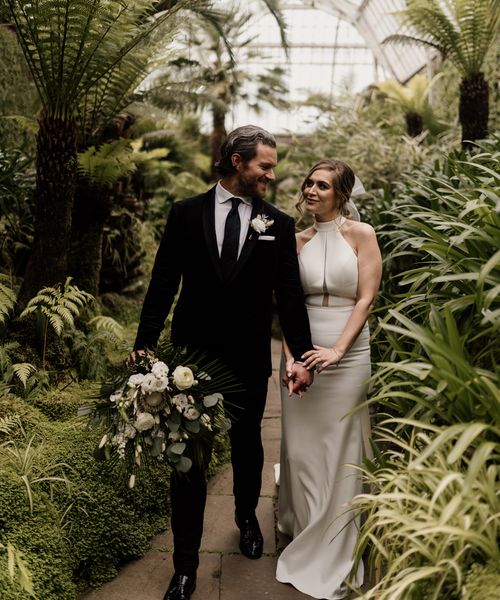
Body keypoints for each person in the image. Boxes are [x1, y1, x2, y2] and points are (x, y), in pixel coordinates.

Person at [133, 125, 314, 600]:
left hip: (250, 357)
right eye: (265, 166)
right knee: (188, 461)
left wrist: (303, 355)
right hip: (191, 359)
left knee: (248, 446)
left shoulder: (276, 222)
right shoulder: (185, 214)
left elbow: (289, 296)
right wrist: (144, 344)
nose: (271, 176)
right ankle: (186, 567)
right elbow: (163, 283)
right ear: (237, 161)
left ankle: (246, 518)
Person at [277, 159, 382, 599]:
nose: (311, 190)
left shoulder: (362, 235)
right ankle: (302, 522)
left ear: (342, 194)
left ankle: (336, 538)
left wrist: (337, 350)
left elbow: (366, 298)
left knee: (342, 444)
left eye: (323, 185)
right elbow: (285, 305)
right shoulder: (294, 240)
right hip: (302, 353)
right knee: (301, 447)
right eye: (309, 183)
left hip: (348, 352)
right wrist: (290, 360)